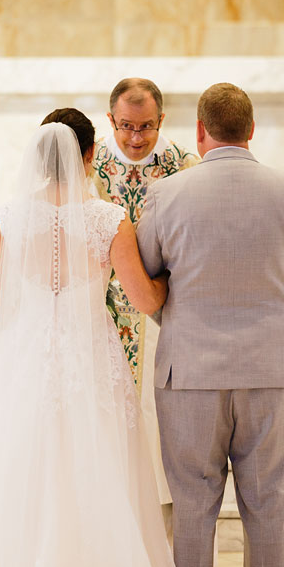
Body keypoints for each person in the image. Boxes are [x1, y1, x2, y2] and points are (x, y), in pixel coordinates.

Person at [0, 116, 183, 567]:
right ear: (92, 153)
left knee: (15, 471)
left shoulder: (9, 218)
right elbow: (146, 300)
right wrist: (170, 279)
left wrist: (34, 311)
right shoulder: (108, 219)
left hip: (23, 363)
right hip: (91, 364)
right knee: (96, 471)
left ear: (37, 157)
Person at [137, 83, 284, 567]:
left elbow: (150, 286)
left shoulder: (167, 194)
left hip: (189, 374)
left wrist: (182, 324)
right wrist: (271, 321)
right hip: (270, 370)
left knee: (193, 509)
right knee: (269, 509)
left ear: (200, 132)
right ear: (251, 131)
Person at [93, 78, 198, 505]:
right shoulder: (88, 162)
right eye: (126, 126)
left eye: (146, 127)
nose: (136, 138)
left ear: (162, 121)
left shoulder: (184, 164)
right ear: (110, 121)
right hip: (102, 307)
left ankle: (159, 504)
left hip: (165, 305)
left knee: (160, 411)